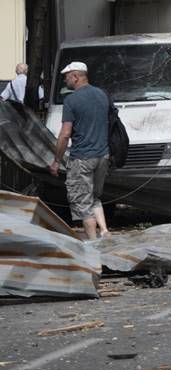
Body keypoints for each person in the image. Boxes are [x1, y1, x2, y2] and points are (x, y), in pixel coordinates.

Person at [49, 62, 110, 239]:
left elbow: (65, 134)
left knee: (82, 203)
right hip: (102, 155)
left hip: (82, 158)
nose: (65, 80)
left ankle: (92, 245)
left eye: (66, 76)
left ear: (75, 76)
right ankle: (105, 231)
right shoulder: (102, 94)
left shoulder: (71, 100)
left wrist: (56, 161)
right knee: (94, 197)